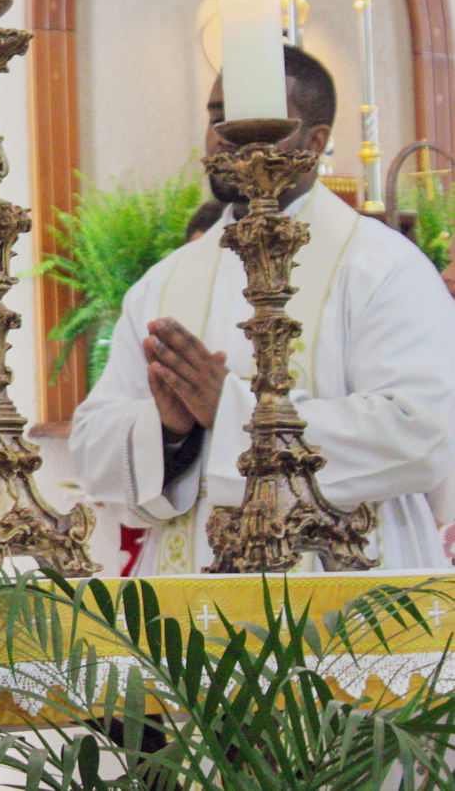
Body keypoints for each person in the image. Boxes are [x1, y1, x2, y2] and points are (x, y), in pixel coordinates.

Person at [70, 45, 455, 575]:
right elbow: (92, 448)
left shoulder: (382, 266)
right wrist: (169, 432)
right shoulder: (165, 282)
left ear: (315, 141)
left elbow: (422, 433)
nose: (227, 136)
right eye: (217, 117)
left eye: (258, 121)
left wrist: (231, 412)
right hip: (195, 602)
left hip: (348, 584)